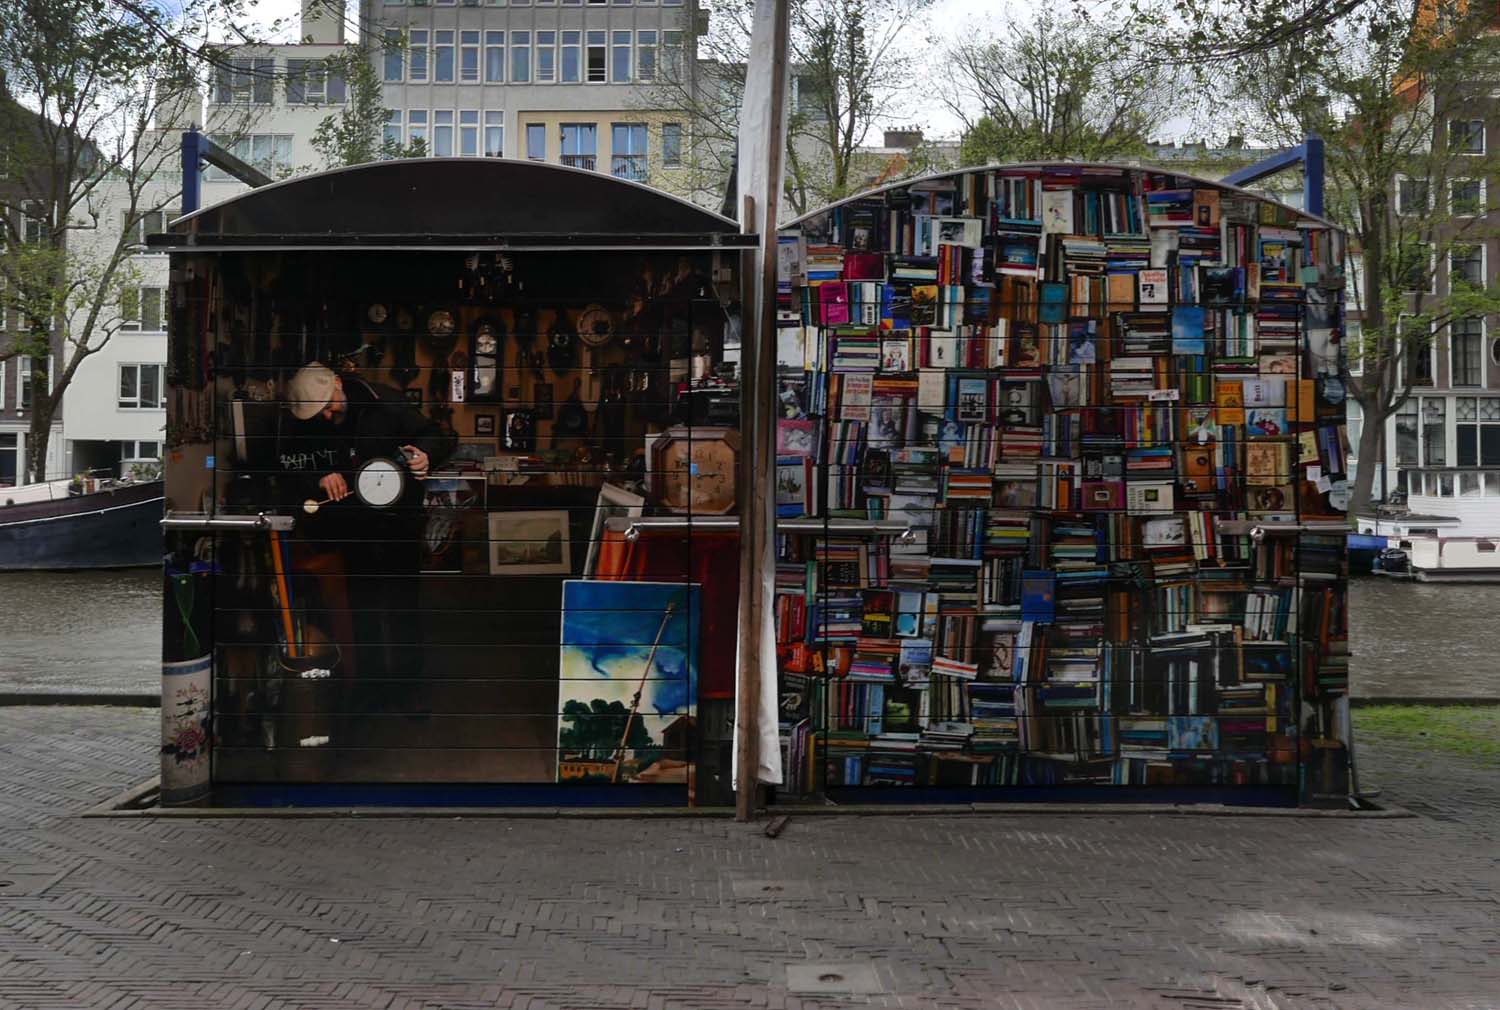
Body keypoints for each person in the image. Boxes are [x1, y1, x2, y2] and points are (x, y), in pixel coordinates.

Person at [279, 362, 456, 711]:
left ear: (339, 384)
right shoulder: (308, 422)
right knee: (362, 607)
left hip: (398, 523)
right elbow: (287, 462)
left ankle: (409, 690)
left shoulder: (386, 403)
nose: (327, 416)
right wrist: (319, 476)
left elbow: (436, 435)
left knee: (402, 607)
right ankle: (370, 690)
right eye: (319, 413)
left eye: (330, 405)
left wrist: (426, 454)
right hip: (351, 526)